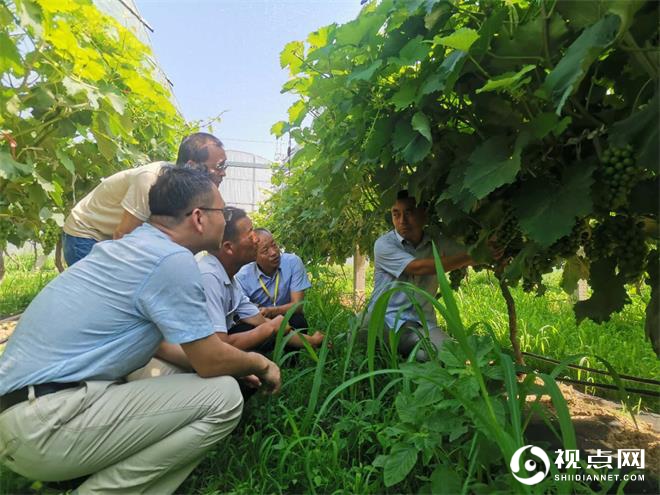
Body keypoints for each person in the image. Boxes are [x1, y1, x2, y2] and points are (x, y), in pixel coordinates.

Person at [0, 167, 280, 494]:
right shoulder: (172, 260)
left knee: (175, 370)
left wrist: (232, 363)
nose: (226, 219)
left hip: (21, 414)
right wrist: (261, 364)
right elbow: (210, 361)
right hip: (44, 426)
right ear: (199, 217)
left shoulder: (133, 247)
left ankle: (74, 474)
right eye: (223, 211)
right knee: (225, 397)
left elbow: (165, 348)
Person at [62, 132, 228, 265]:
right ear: (192, 165)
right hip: (86, 234)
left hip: (109, 238)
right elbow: (123, 235)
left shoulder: (181, 188)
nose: (224, 173)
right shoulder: (151, 179)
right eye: (219, 166)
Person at [367, 190, 472, 361]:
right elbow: (418, 267)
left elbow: (471, 254)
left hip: (422, 323)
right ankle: (391, 350)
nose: (402, 221)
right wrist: (471, 257)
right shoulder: (384, 244)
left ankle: (408, 353)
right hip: (384, 321)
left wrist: (490, 253)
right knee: (359, 337)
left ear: (424, 214)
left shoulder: (437, 242)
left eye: (409, 213)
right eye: (396, 214)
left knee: (451, 356)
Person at [198, 210, 324, 353]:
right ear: (229, 247)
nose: (256, 239)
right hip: (185, 368)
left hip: (209, 359)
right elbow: (217, 349)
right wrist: (270, 329)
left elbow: (262, 320)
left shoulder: (229, 279)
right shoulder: (209, 277)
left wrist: (312, 341)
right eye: (250, 233)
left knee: (287, 323)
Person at [236, 228, 313, 331]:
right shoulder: (242, 276)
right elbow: (242, 312)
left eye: (274, 245)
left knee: (299, 321)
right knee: (242, 329)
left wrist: (271, 311)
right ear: (253, 256)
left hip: (286, 316)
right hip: (260, 321)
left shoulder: (293, 263)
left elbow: (297, 306)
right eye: (265, 250)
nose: (273, 253)